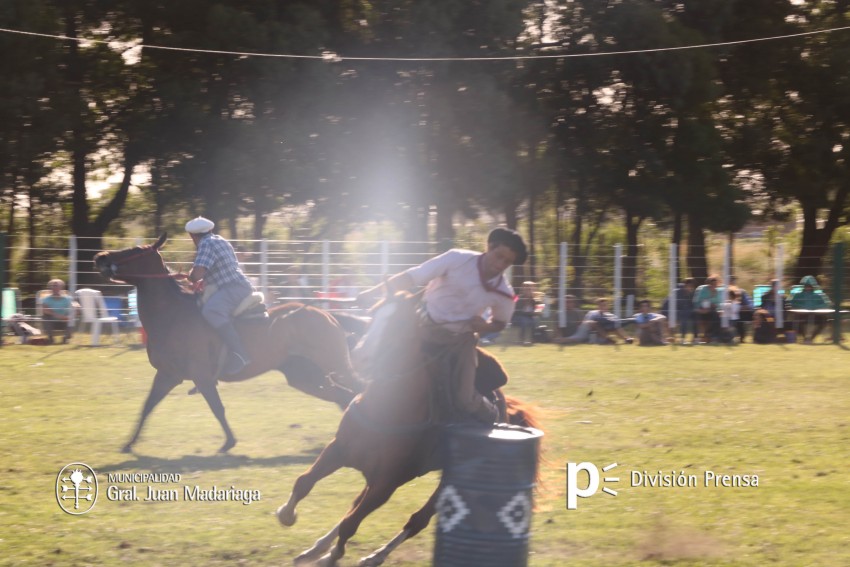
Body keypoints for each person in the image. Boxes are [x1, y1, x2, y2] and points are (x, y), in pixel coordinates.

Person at [356, 227, 528, 424]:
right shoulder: (455, 259)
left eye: (507, 262)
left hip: (459, 343)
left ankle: (494, 416)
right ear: (489, 247)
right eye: (498, 256)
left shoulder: (504, 293)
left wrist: (485, 326)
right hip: (420, 329)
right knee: (382, 364)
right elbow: (411, 277)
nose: (500, 264)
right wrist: (372, 293)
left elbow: (500, 323)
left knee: (464, 399)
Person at [186, 216, 255, 375]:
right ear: (210, 230)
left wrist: (188, 276)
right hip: (236, 286)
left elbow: (197, 274)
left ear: (193, 236)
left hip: (232, 288)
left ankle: (241, 354)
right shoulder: (221, 240)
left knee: (211, 311)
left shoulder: (205, 244)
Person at [555, 297, 633, 345]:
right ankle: (559, 340)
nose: (603, 307)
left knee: (616, 326)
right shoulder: (593, 313)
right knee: (580, 335)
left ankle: (626, 339)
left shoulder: (611, 315)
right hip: (588, 331)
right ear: (598, 306)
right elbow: (586, 324)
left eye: (605, 305)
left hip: (602, 332)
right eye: (601, 305)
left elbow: (616, 324)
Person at [789, 275, 831, 344]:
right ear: (803, 286)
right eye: (806, 286)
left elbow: (826, 304)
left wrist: (816, 307)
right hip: (801, 315)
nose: (808, 288)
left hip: (816, 315)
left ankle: (811, 338)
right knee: (796, 320)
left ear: (813, 286)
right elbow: (792, 304)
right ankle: (805, 338)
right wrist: (801, 307)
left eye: (809, 286)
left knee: (824, 320)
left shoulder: (818, 295)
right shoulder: (797, 295)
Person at [661, 277, 695, 344]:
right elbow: (682, 305)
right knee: (684, 317)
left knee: (689, 315)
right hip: (667, 310)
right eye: (689, 286)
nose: (691, 288)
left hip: (678, 311)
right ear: (685, 285)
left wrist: (693, 310)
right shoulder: (678, 292)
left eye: (692, 286)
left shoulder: (689, 293)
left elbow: (689, 305)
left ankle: (681, 338)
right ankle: (680, 339)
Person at [41, 278, 74, 344]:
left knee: (72, 317)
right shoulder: (46, 299)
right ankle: (50, 338)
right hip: (52, 320)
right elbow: (45, 310)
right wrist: (58, 316)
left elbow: (73, 306)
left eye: (56, 285)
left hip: (64, 320)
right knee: (46, 317)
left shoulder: (68, 299)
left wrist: (75, 307)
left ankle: (66, 338)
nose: (54, 287)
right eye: (52, 286)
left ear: (61, 287)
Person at [692, 275, 722, 343]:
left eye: (715, 284)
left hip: (711, 310)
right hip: (700, 309)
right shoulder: (702, 289)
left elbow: (718, 303)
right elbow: (697, 301)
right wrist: (704, 308)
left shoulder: (717, 291)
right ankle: (698, 337)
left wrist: (716, 307)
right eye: (712, 284)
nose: (714, 286)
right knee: (696, 317)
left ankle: (712, 336)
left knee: (716, 317)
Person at [513, 281, 540, 345]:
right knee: (524, 320)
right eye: (526, 288)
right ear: (522, 289)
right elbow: (515, 311)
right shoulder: (516, 297)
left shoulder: (536, 299)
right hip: (517, 317)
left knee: (535, 320)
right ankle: (522, 339)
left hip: (530, 317)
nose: (528, 290)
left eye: (530, 289)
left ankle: (532, 339)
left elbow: (538, 310)